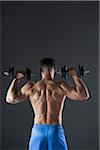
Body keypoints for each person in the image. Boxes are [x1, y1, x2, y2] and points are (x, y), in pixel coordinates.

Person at [5, 58, 90, 150]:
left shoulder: (31, 87)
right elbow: (83, 95)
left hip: (38, 131)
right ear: (55, 69)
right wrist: (74, 76)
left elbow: (10, 99)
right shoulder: (61, 86)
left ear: (40, 70)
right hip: (55, 130)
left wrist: (16, 79)